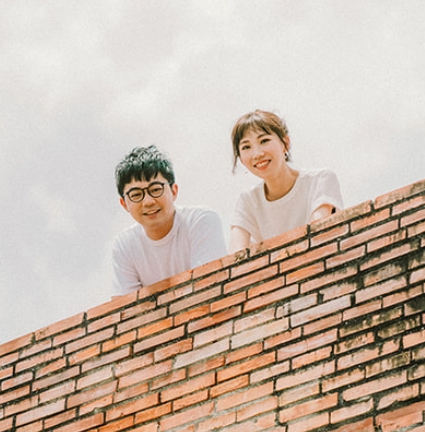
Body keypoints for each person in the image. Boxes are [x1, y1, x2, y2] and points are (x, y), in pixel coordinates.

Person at [110, 145, 226, 297]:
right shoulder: (124, 246)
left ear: (174, 191)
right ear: (124, 204)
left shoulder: (201, 221)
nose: (148, 201)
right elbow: (125, 310)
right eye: (136, 194)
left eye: (156, 189)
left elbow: (210, 286)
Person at [228, 110, 343, 252]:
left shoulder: (319, 180)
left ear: (285, 143)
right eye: (246, 147)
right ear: (241, 159)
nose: (257, 154)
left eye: (264, 141)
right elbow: (234, 256)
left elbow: (317, 235)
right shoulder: (248, 200)